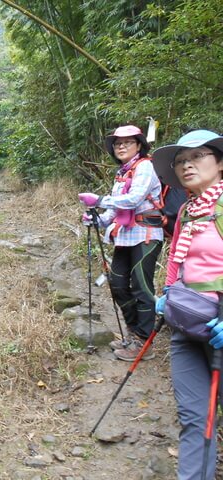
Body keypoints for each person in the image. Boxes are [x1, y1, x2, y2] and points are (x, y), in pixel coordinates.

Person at [153, 129, 223, 480]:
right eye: (181, 161)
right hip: (186, 323)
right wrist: (166, 298)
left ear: (220, 163)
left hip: (219, 324)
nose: (186, 165)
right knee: (197, 418)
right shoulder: (187, 210)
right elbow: (175, 264)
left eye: (197, 156)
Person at [78, 125, 164, 361]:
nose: (121, 146)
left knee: (141, 287)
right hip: (125, 237)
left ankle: (143, 341)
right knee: (117, 284)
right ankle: (133, 332)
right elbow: (116, 207)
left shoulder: (145, 166)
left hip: (146, 235)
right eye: (118, 143)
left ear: (139, 145)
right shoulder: (122, 173)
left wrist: (100, 200)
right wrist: (98, 219)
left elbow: (134, 199)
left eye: (128, 142)